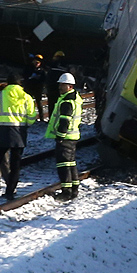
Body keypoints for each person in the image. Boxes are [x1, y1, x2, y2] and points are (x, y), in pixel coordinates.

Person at [0, 75, 35, 200]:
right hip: (19, 133)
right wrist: (24, 124)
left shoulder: (0, 95)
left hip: (2, 132)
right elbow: (31, 117)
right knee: (15, 165)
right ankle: (10, 192)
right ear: (20, 83)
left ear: (8, 82)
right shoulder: (26, 97)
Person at [46, 72, 83, 201]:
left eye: (63, 85)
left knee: (63, 165)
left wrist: (60, 137)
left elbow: (64, 121)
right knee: (71, 164)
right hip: (72, 137)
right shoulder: (75, 98)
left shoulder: (67, 102)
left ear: (70, 86)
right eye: (60, 84)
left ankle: (66, 192)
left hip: (66, 138)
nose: (60, 87)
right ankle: (74, 190)